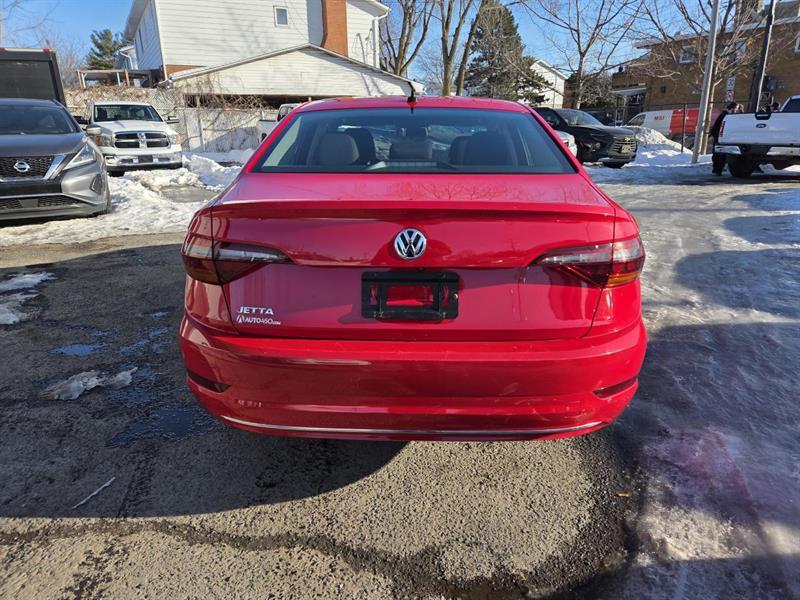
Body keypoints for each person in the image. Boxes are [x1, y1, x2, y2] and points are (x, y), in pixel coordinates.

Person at [709, 102, 740, 176]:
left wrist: (712, 134)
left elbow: (716, 125)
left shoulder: (724, 115)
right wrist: (712, 135)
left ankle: (716, 169)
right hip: (722, 137)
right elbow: (717, 125)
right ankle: (718, 169)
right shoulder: (726, 116)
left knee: (717, 154)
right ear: (732, 108)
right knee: (720, 155)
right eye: (736, 109)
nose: (736, 111)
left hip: (720, 137)